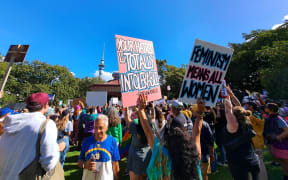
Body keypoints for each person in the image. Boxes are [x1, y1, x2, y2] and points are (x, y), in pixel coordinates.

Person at [138, 95, 203, 180]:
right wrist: (200, 113)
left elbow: (148, 133)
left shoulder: (161, 153)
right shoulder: (194, 155)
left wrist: (141, 110)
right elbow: (197, 132)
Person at [0, 92, 59, 180]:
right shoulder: (46, 125)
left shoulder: (9, 122)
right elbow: (49, 163)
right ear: (46, 106)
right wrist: (57, 149)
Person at [223, 91, 260, 180]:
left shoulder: (233, 125)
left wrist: (225, 95)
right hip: (252, 159)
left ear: (233, 115)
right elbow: (238, 107)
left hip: (238, 163)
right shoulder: (247, 121)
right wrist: (231, 95)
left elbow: (228, 110)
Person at [78, 114, 120, 180]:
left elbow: (115, 164)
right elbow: (80, 162)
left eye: (100, 128)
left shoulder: (112, 141)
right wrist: (86, 165)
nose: (97, 131)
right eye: (95, 128)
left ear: (107, 127)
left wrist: (116, 177)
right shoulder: (86, 141)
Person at [124, 107, 152, 180]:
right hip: (147, 155)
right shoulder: (150, 123)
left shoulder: (134, 123)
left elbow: (127, 117)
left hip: (135, 156)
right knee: (144, 177)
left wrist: (127, 107)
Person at [263, 103, 288, 180]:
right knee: (281, 161)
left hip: (283, 145)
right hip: (277, 144)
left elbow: (287, 131)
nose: (265, 108)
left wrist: (278, 137)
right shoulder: (271, 118)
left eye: (266, 107)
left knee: (286, 162)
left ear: (270, 109)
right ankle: (286, 175)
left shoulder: (278, 119)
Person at [245, 101, 268, 180]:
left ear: (251, 107)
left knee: (256, 163)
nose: (245, 108)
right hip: (259, 141)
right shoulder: (259, 114)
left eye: (247, 106)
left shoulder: (252, 116)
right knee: (260, 161)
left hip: (254, 142)